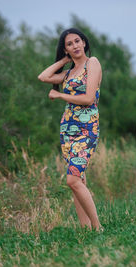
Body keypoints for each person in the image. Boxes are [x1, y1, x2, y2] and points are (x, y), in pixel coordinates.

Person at [38, 28, 103, 231]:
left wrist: (60, 96)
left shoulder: (92, 63)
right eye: (69, 44)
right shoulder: (68, 73)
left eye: (77, 41)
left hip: (87, 128)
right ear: (65, 49)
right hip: (67, 130)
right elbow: (43, 76)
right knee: (79, 181)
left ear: (84, 42)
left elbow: (88, 99)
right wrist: (64, 60)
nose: (75, 46)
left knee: (72, 179)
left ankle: (97, 227)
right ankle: (86, 230)